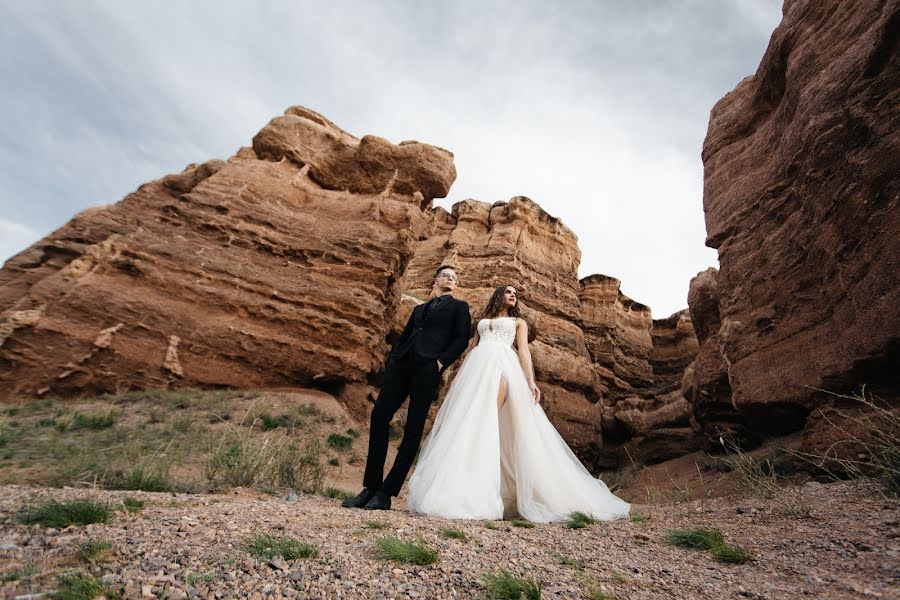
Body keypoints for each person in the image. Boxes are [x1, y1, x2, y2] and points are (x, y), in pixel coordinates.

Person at [407, 284, 630, 522]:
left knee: (487, 419)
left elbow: (523, 351)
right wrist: (456, 376)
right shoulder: (483, 320)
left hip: (503, 366)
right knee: (466, 422)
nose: (513, 295)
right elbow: (472, 348)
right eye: (508, 292)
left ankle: (481, 492)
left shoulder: (518, 323)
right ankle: (455, 488)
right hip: (475, 370)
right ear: (498, 295)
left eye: (515, 294)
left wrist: (530, 381)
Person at [342, 266, 471, 511]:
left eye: (455, 277)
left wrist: (440, 363)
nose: (451, 279)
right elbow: (406, 334)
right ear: (436, 279)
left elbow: (461, 338)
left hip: (428, 368)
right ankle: (370, 487)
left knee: (412, 429)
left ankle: (385, 493)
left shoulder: (459, 308)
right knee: (379, 415)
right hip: (402, 364)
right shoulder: (419, 309)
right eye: (447, 275)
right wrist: (394, 357)